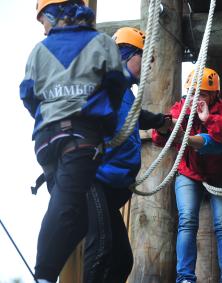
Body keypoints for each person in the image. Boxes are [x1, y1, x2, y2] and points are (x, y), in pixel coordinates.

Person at [19, 1, 127, 282]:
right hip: (81, 138)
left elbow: (28, 94)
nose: (43, 26)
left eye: (42, 18)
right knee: (68, 207)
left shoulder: (38, 51)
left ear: (54, 13)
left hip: (46, 142)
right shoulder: (102, 43)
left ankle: (45, 272)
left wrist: (50, 115)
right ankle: (43, 275)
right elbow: (115, 85)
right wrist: (103, 119)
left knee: (74, 214)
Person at [83, 27, 171, 282]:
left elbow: (135, 116)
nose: (147, 66)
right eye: (143, 58)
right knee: (100, 249)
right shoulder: (103, 82)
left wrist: (161, 121)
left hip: (110, 186)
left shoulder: (124, 92)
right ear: (127, 54)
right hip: (93, 179)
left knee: (121, 260)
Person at [151, 67, 222, 283]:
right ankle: (185, 278)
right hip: (190, 172)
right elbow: (159, 139)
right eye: (193, 92)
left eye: (202, 93)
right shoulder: (181, 108)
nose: (196, 98)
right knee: (186, 221)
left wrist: (209, 119)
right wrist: (167, 128)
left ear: (214, 94)